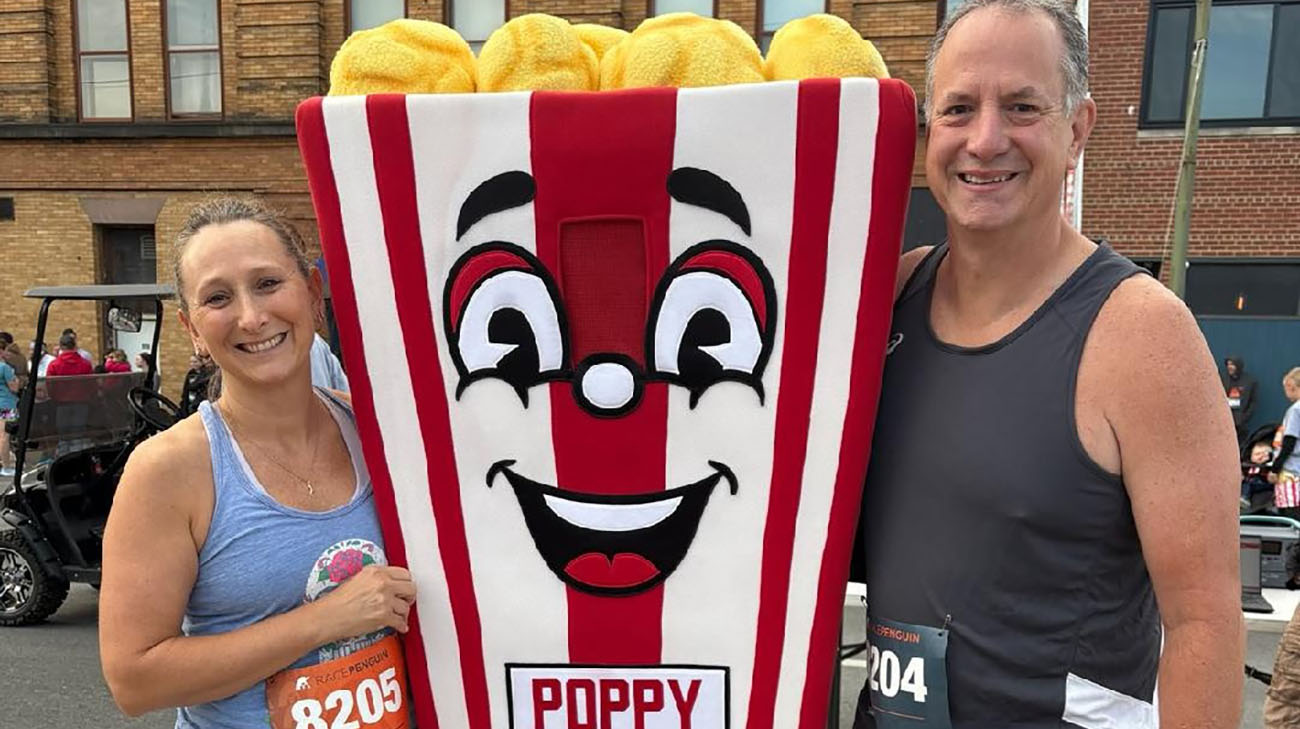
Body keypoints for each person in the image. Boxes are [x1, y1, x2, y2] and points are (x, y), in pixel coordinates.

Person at [855, 2, 1242, 727]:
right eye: (959, 109)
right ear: (928, 132)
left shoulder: (1144, 335)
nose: (986, 139)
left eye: (1023, 106)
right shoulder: (891, 294)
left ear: (1079, 129)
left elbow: (1204, 625)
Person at [99, 198, 415, 727]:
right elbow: (134, 679)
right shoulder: (170, 469)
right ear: (193, 330)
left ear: (313, 294)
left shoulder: (378, 431)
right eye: (218, 298)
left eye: (268, 283)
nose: (251, 316)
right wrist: (324, 620)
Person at [1269, 368, 1300, 521]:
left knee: (1290, 517)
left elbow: (1289, 443)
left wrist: (1275, 468)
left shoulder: (1295, 410)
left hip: (1291, 473)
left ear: (1292, 386)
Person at [1224, 355, 1258, 445]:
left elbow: (1253, 402)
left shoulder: (1250, 381)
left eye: (1232, 364)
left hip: (1240, 423)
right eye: (1228, 364)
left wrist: (1244, 417)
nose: (1229, 367)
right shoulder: (1223, 379)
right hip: (1225, 421)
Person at [1243, 440, 1275, 514]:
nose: (1260, 457)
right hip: (1251, 485)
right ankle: (1244, 499)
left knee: (1250, 482)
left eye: (1263, 455)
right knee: (1246, 482)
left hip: (1264, 484)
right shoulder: (1247, 466)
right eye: (1257, 454)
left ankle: (1245, 497)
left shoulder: (1268, 467)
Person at [0, 354, 19, 478]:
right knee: (4, 436)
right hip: (6, 404)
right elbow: (14, 388)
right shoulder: (4, 368)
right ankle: (6, 467)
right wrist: (16, 380)